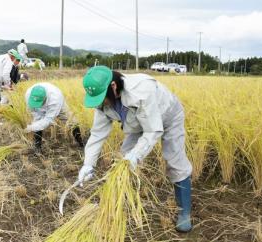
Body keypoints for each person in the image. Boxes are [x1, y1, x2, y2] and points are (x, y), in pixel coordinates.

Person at [77, 66, 193, 233]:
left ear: (113, 86)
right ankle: (119, 206)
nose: (101, 102)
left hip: (168, 116)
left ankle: (185, 214)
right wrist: (88, 164)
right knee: (122, 162)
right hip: (137, 123)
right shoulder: (103, 102)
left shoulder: (141, 92)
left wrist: (135, 156)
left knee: (174, 159)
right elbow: (97, 134)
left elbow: (152, 130)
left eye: (102, 98)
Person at [24, 83, 84, 154]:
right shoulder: (28, 95)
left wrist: (31, 127)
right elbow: (33, 112)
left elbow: (48, 120)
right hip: (38, 105)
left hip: (57, 104)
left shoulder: (55, 99)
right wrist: (36, 122)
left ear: (45, 98)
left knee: (73, 121)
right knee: (37, 121)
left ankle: (81, 142)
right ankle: (37, 148)